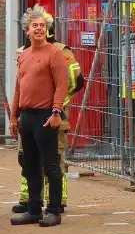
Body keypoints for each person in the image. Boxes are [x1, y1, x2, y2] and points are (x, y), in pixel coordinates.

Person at [12, 11, 84, 215]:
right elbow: (20, 86)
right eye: (34, 25)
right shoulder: (23, 53)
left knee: (53, 161)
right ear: (27, 29)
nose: (38, 28)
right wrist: (14, 116)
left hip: (50, 115)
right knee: (27, 160)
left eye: (42, 25)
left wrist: (56, 108)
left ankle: (56, 204)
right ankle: (30, 202)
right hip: (28, 116)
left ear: (48, 27)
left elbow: (71, 82)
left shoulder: (58, 52)